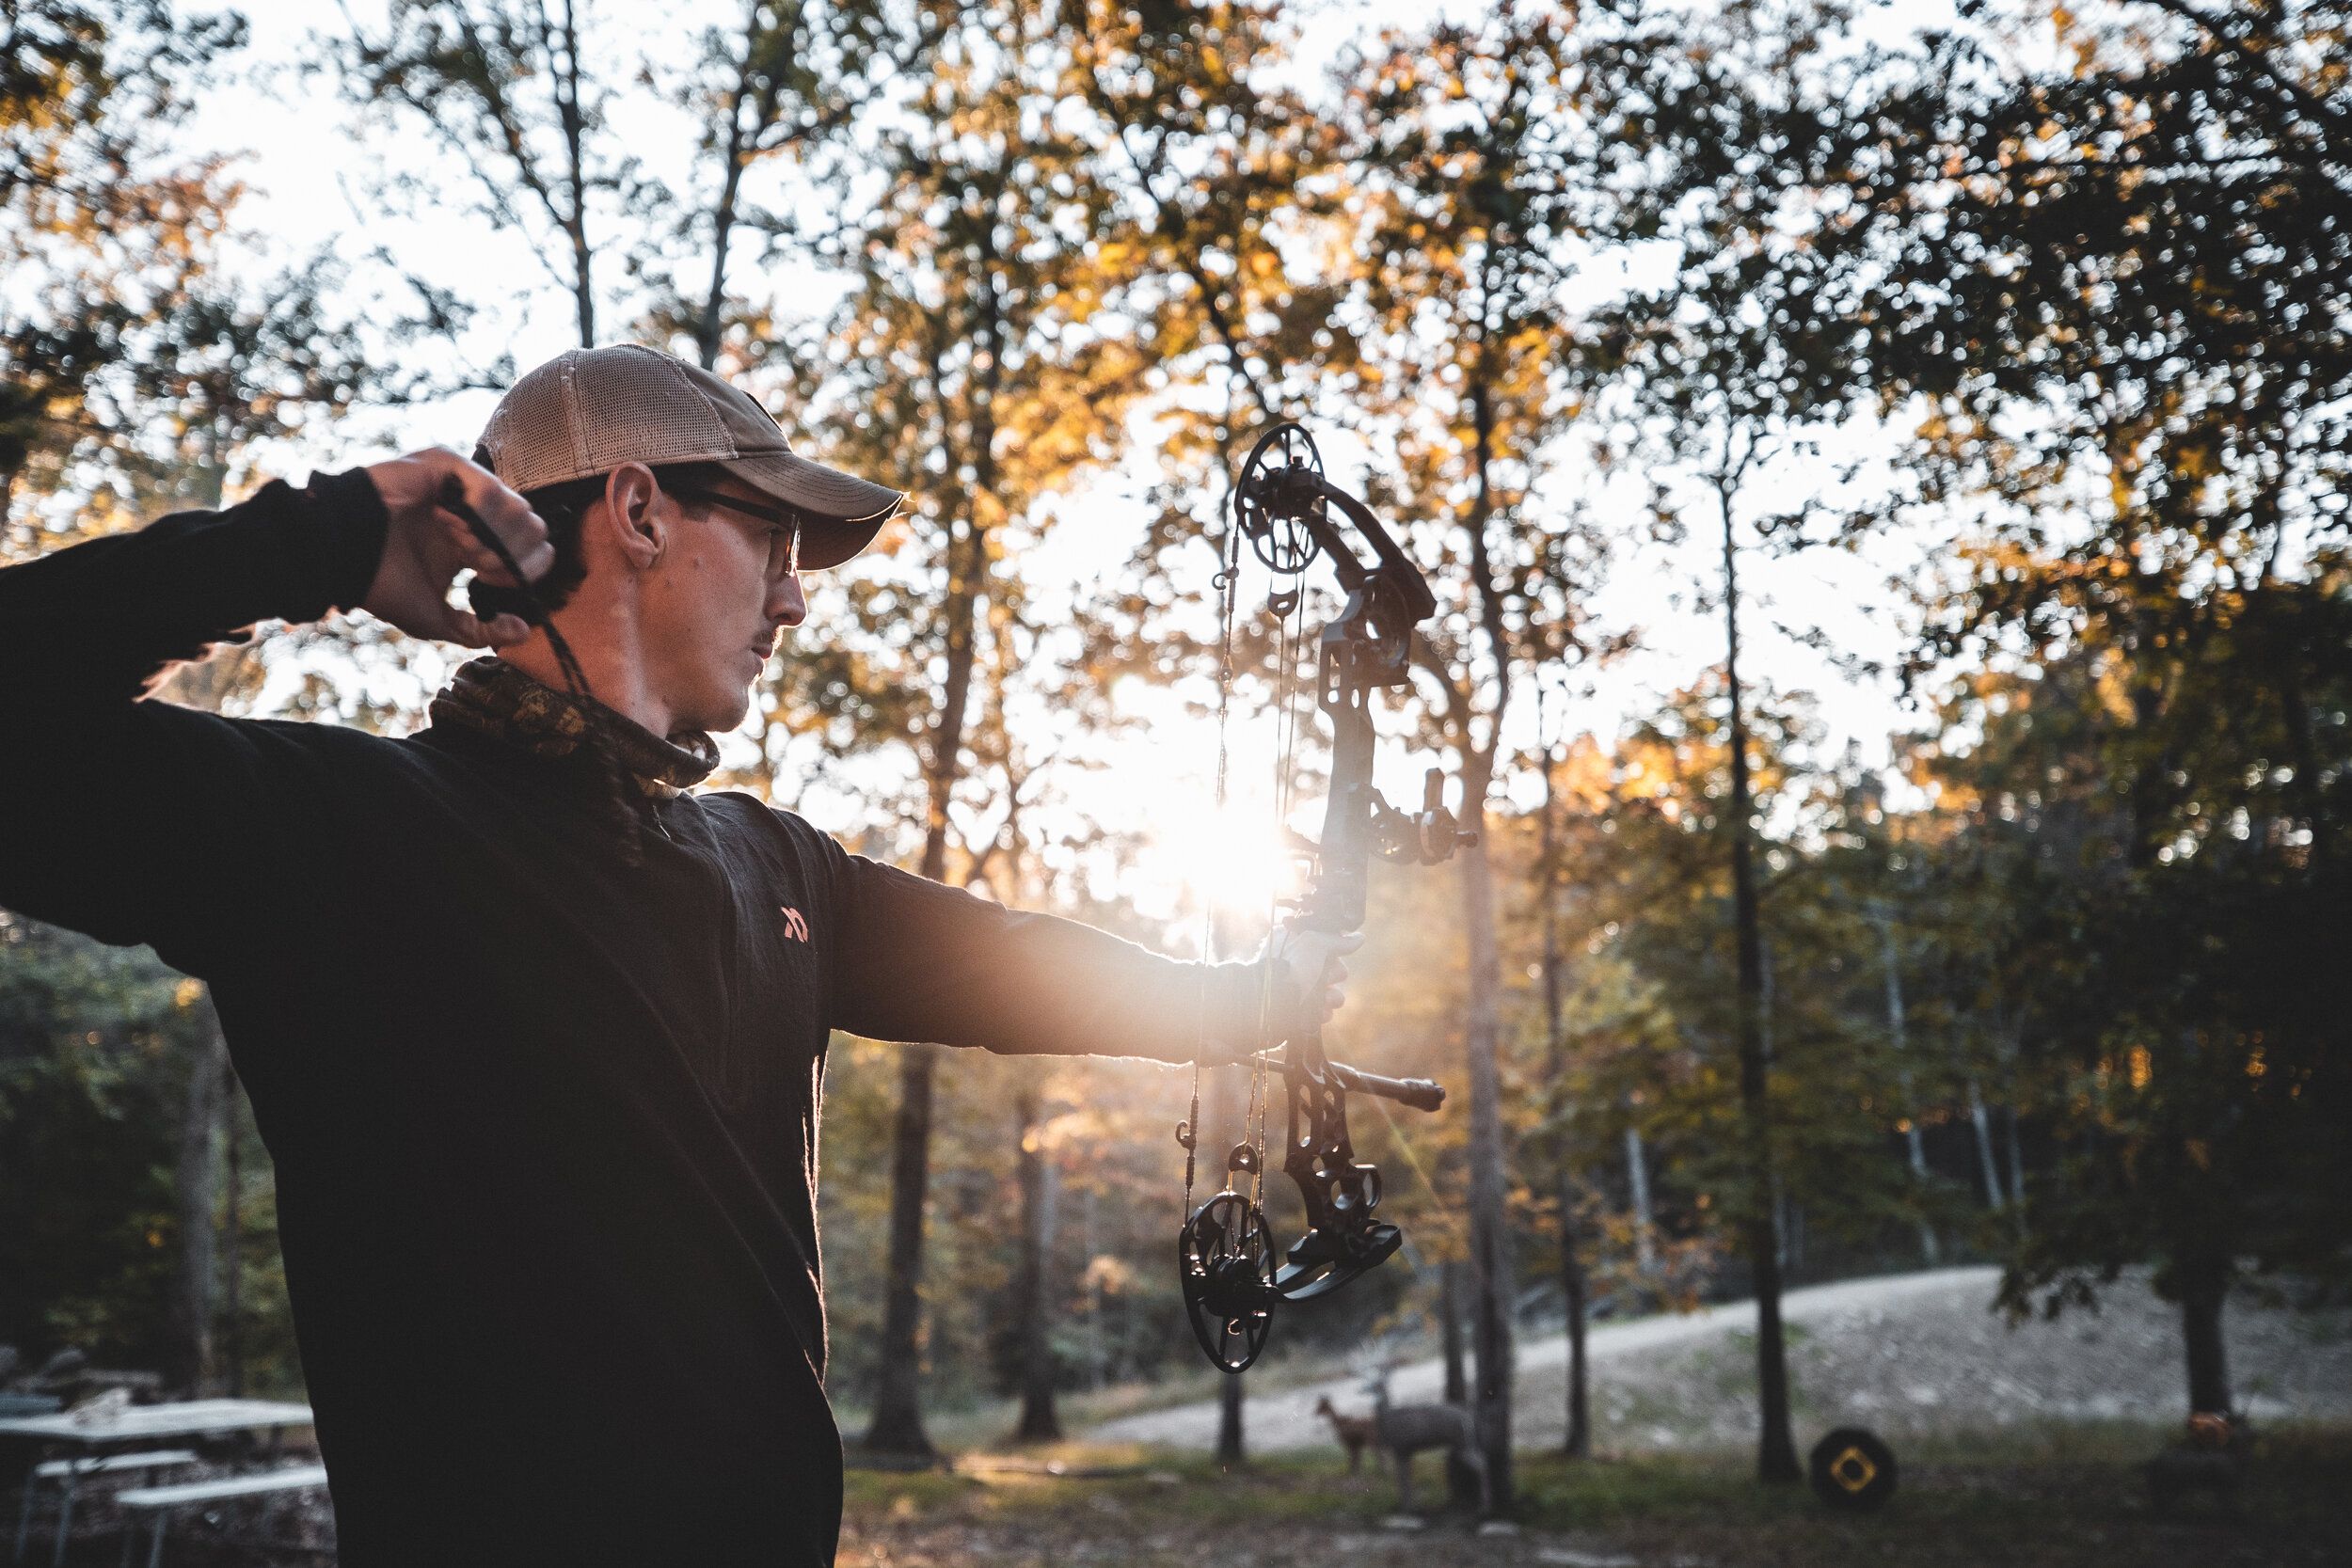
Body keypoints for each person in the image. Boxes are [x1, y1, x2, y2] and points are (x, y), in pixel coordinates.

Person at [0, 344, 1354, 1565]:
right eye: (771, 538)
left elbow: (1024, 964)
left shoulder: (776, 866)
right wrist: (327, 537)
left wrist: (1262, 995)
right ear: (641, 511)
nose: (794, 602)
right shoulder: (337, 836)